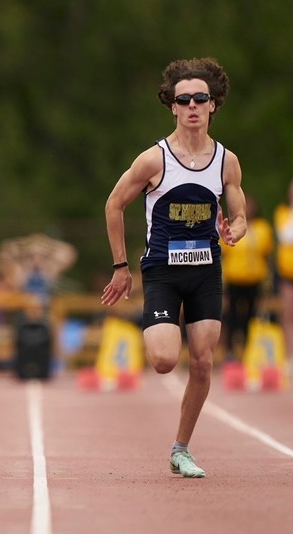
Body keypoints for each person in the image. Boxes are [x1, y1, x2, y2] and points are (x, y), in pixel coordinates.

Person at [102, 58, 246, 478]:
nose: (193, 106)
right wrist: (120, 265)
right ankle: (157, 326)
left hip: (206, 272)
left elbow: (238, 214)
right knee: (165, 359)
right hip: (163, 272)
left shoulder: (226, 162)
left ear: (214, 104)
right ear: (173, 107)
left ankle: (181, 448)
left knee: (202, 361)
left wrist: (235, 229)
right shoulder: (154, 160)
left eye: (201, 98)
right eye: (184, 100)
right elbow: (114, 204)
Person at [220, 195, 274, 361]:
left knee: (251, 317)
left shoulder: (262, 228)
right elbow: (223, 253)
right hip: (234, 279)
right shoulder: (230, 228)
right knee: (231, 316)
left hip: (254, 279)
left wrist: (267, 280)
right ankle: (229, 351)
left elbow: (266, 254)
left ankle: (247, 351)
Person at [274, 181, 293, 368]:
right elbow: (286, 235)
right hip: (287, 273)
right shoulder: (283, 213)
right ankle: (289, 356)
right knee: (288, 314)